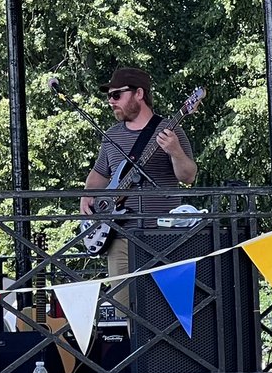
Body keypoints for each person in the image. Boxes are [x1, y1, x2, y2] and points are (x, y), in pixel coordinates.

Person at [79, 66, 198, 291]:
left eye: (116, 95)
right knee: (123, 305)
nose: (111, 101)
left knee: (165, 305)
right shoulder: (111, 135)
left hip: (163, 233)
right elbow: (99, 174)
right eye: (108, 96)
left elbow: (188, 176)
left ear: (139, 94)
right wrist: (87, 194)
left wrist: (175, 151)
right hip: (118, 234)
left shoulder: (169, 130)